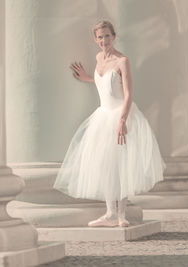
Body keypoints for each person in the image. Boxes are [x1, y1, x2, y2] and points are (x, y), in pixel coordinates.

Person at [53, 20, 166, 227]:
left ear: (114, 36)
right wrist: (88, 77)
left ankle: (122, 214)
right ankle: (110, 213)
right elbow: (104, 84)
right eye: (100, 37)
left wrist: (122, 120)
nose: (104, 40)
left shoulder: (123, 60)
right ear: (95, 40)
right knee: (104, 163)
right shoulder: (98, 58)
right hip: (102, 117)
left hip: (121, 116)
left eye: (107, 36)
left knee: (122, 164)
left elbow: (128, 93)